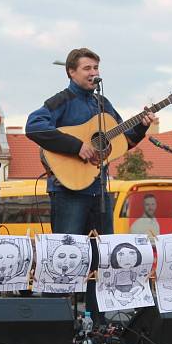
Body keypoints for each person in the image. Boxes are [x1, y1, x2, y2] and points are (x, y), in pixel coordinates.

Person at [25, 47, 155, 322]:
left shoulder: (102, 105)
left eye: (96, 68)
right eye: (87, 68)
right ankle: (54, 321)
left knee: (102, 258)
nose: (94, 73)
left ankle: (98, 321)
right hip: (68, 190)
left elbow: (123, 141)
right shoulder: (60, 101)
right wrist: (76, 146)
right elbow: (34, 126)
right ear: (71, 72)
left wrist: (141, 126)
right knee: (65, 257)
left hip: (98, 189)